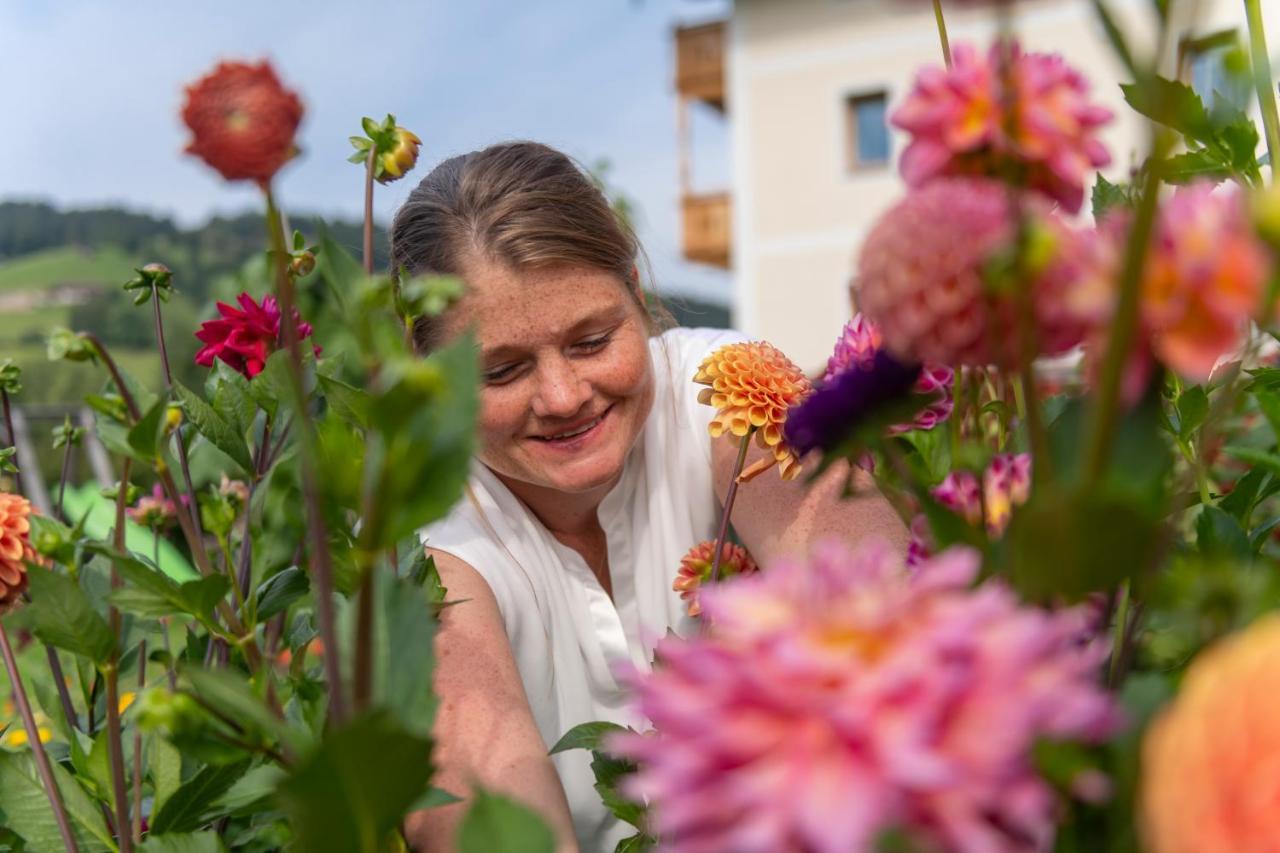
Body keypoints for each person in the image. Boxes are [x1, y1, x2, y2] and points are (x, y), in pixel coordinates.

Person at [392, 141, 907, 852]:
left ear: (637, 291)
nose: (564, 396)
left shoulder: (725, 387)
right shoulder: (422, 526)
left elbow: (885, 628)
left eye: (591, 340)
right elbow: (492, 816)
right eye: (503, 370)